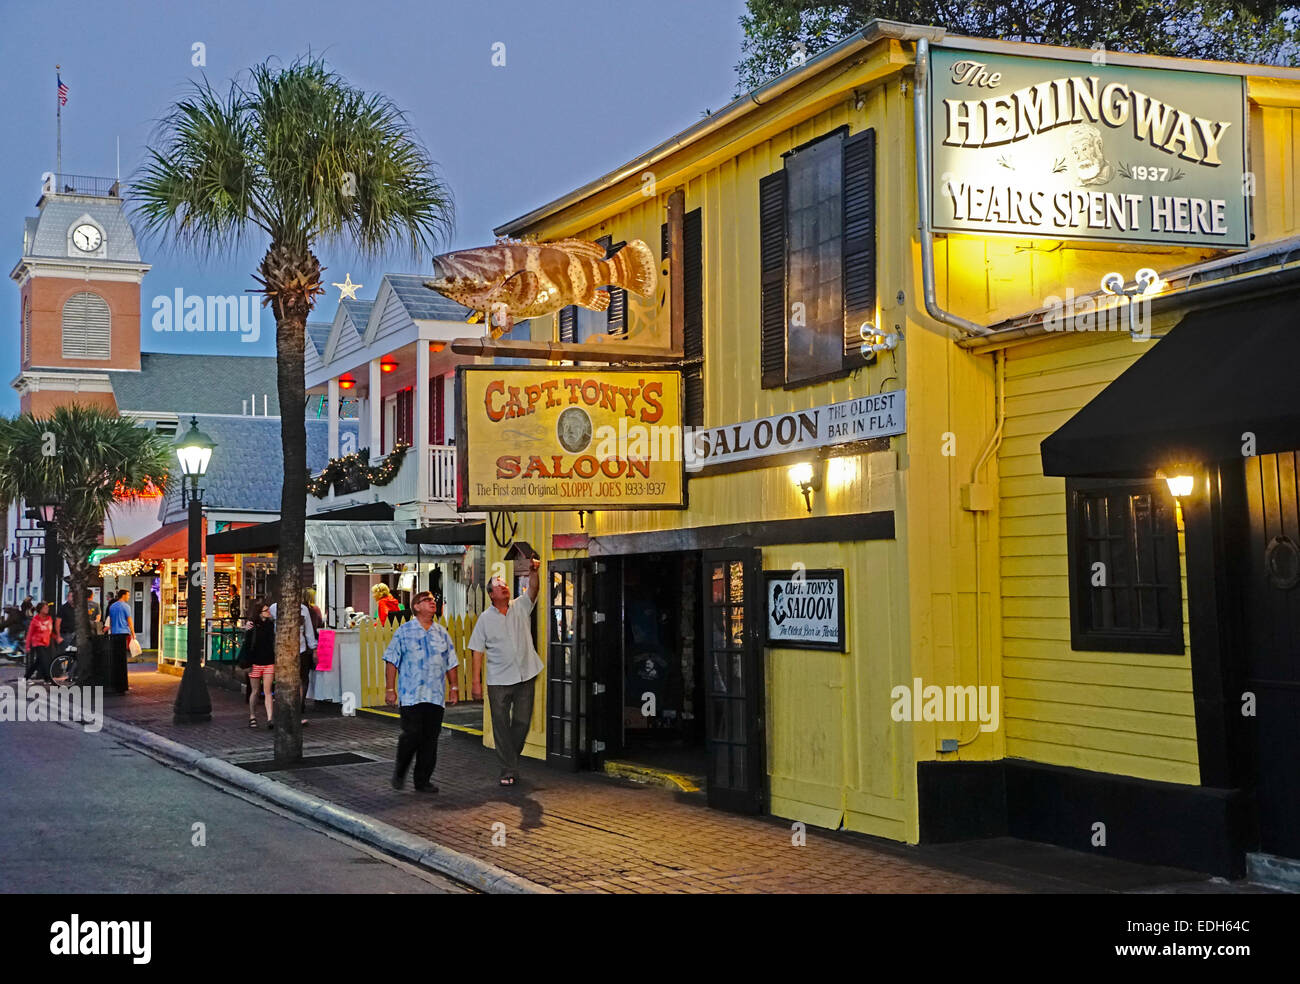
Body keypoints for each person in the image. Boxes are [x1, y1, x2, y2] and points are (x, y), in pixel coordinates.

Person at [468, 559, 542, 786]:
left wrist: (532, 572)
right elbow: (477, 651)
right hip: (499, 679)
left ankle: (510, 760)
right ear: (491, 594)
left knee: (521, 721)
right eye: (500, 586)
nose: (505, 587)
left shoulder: (520, 606)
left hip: (525, 674)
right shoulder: (485, 619)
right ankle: (508, 769)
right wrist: (476, 682)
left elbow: (534, 589)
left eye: (506, 585)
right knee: (500, 724)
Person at [383, 590, 459, 793]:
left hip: (435, 695)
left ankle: (422, 780)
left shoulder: (441, 632)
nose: (432, 603)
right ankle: (400, 771)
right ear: (416, 606)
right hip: (411, 695)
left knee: (430, 739)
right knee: (412, 734)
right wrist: (390, 689)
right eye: (427, 600)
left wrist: (454, 687)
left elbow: (451, 662)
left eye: (433, 600)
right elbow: (392, 660)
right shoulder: (404, 631)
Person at [269, 597, 318, 726]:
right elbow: (268, 625)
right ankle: (284, 710)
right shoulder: (274, 608)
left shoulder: (303, 609)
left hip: (300, 649)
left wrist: (313, 648)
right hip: (282, 651)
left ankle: (298, 708)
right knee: (284, 681)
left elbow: (308, 630)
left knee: (301, 679)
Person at [244, 601, 276, 728]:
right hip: (255, 662)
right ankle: (252, 715)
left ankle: (269, 718)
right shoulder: (253, 626)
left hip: (268, 661)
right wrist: (248, 662)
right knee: (255, 691)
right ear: (260, 613)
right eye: (266, 610)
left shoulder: (270, 625)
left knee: (267, 691)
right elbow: (247, 644)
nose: (269, 612)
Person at [104, 589, 134, 694]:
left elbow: (110, 621)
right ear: (123, 595)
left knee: (115, 660)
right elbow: (129, 621)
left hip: (114, 634)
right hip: (123, 634)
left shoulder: (112, 607)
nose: (129, 597)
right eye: (128, 595)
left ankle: (115, 684)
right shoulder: (126, 606)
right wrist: (133, 634)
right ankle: (122, 686)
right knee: (122, 661)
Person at [24, 601, 54, 683]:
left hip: (46, 643)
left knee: (38, 662)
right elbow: (30, 633)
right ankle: (47, 679)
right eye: (45, 608)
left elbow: (51, 631)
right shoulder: (35, 620)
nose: (47, 609)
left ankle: (26, 677)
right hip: (37, 643)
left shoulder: (49, 618)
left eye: (47, 608)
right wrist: (27, 646)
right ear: (40, 610)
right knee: (44, 660)